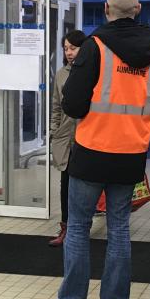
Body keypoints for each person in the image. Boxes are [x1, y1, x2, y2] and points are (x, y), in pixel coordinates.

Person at [33, 0, 150, 299]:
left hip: (92, 151)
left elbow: (73, 102)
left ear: (107, 10)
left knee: (78, 228)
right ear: (137, 10)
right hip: (131, 155)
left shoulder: (95, 47)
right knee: (120, 229)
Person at [48, 29, 87, 247]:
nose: (69, 52)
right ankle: (66, 228)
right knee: (65, 184)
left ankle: (80, 227)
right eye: (65, 49)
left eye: (73, 48)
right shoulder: (62, 73)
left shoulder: (91, 72)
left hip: (86, 137)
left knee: (84, 185)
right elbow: (56, 105)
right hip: (65, 138)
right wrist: (54, 130)